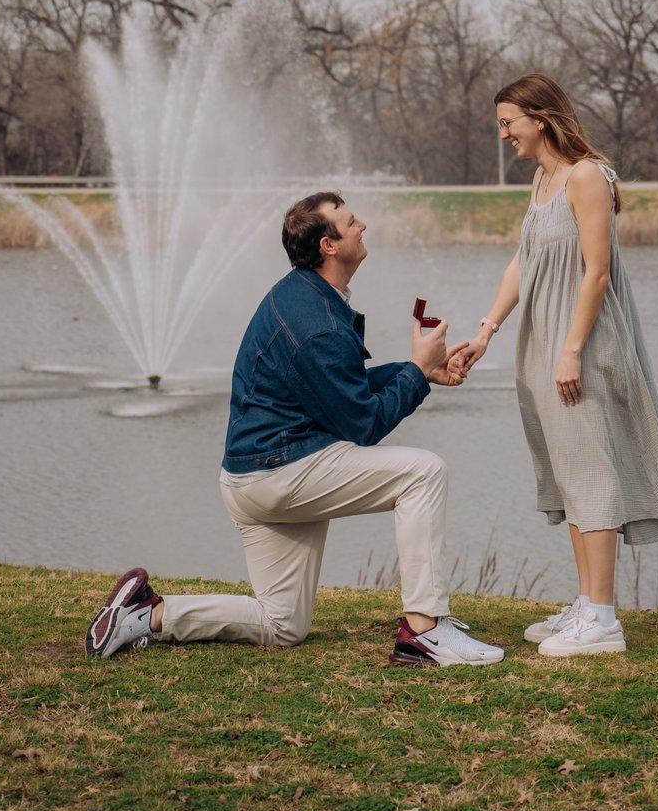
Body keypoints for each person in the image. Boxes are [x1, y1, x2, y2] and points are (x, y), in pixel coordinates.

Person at [86, 192, 504, 668]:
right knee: (423, 471)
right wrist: (414, 370)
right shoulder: (316, 323)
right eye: (351, 222)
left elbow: (338, 393)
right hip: (279, 474)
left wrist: (418, 371)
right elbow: (364, 424)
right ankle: (425, 631)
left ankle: (147, 615)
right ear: (329, 245)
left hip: (251, 479)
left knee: (282, 625)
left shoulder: (304, 295)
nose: (362, 225)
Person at [455, 75, 658, 657]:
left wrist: (570, 349)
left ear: (540, 117)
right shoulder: (542, 179)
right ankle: (587, 605)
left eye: (509, 121)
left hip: (582, 344)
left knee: (592, 472)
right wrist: (486, 330)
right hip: (547, 343)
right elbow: (524, 261)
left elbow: (597, 272)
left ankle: (604, 621)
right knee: (570, 471)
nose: (504, 133)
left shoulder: (587, 176)